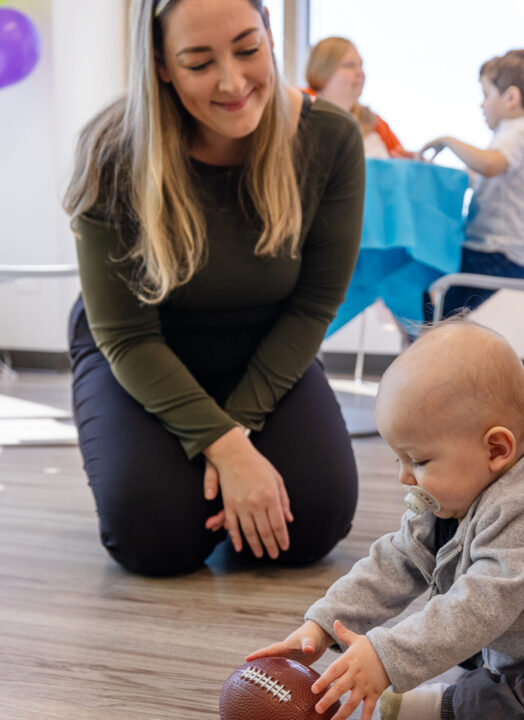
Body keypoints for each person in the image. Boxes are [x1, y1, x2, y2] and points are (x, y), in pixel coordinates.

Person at [62, 0, 365, 576]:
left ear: (271, 36)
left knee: (312, 524)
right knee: (156, 537)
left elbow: (314, 304)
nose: (232, 82)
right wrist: (226, 450)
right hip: (144, 351)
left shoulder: (331, 139)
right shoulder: (112, 152)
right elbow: (125, 335)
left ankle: (220, 491)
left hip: (263, 342)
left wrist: (240, 435)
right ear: (160, 64)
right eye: (199, 63)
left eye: (248, 50)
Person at [248, 319, 524, 720]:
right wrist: (322, 623)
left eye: (418, 459)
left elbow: (476, 609)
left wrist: (385, 654)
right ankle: (471, 698)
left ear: (496, 450)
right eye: (399, 457)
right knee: (493, 670)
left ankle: (448, 704)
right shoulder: (440, 501)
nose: (403, 475)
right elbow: (391, 565)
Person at [421, 49, 524, 321]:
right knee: (423, 274)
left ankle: (425, 351)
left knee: (440, 314)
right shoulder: (506, 134)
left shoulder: (520, 130)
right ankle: (422, 345)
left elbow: (489, 166)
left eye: (486, 94)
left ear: (511, 98)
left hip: (499, 255)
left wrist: (448, 140)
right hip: (487, 249)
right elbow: (473, 176)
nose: (481, 104)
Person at [305, 36, 412, 159]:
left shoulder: (375, 122)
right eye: (350, 65)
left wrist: (412, 163)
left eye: (361, 65)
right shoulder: (300, 113)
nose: (360, 72)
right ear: (322, 70)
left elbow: (400, 161)